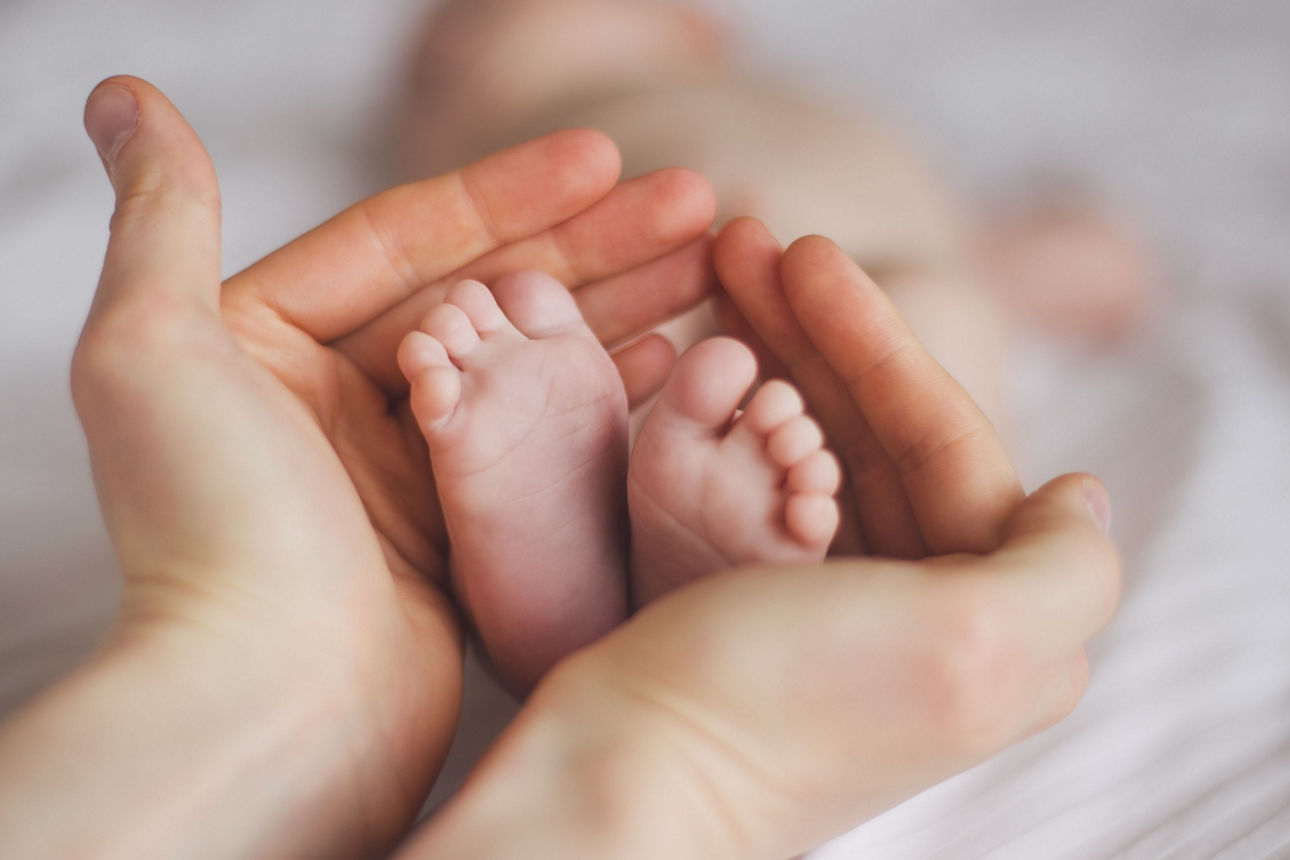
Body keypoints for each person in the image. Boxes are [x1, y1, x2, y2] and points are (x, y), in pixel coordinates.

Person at [0, 77, 1119, 859]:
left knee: (823, 337)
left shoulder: (581, 83)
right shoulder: (528, 111)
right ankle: (643, 558)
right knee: (923, 322)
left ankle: (598, 567)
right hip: (788, 280)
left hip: (666, 293)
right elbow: (1087, 264)